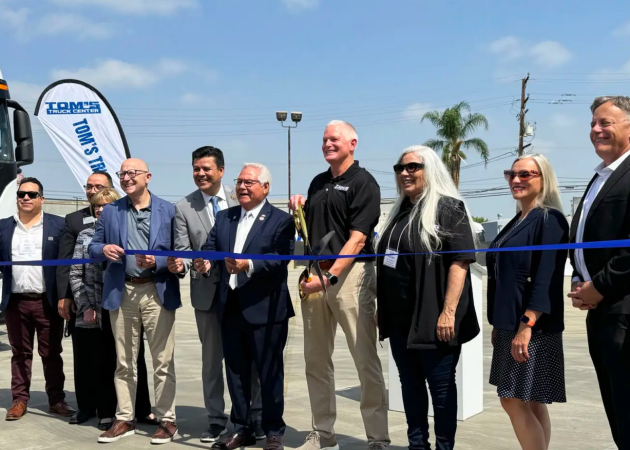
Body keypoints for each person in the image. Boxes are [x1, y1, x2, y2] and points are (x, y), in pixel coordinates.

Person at [289, 120, 389, 450]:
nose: (328, 144)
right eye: (324, 140)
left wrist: (330, 277)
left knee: (365, 359)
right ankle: (323, 433)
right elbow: (310, 232)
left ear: (353, 143)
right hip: (315, 276)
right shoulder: (319, 183)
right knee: (316, 361)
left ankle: (377, 438)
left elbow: (359, 239)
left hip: (350, 277)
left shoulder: (364, 183)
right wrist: (298, 210)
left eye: (335, 139)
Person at [376, 146, 479, 450]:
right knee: (410, 386)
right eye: (399, 168)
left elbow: (460, 262)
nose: (405, 173)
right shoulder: (399, 212)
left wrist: (448, 312)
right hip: (400, 323)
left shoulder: (449, 208)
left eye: (412, 167)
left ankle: (444, 446)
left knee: (442, 389)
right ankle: (417, 445)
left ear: (429, 170)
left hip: (434, 319)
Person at [196, 163, 295, 450]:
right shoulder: (225, 217)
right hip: (231, 307)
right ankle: (241, 428)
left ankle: (273, 430)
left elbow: (281, 258)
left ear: (265, 188)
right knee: (236, 372)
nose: (242, 187)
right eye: (239, 181)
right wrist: (203, 263)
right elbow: (210, 249)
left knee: (269, 374)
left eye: (249, 182)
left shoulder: (280, 220)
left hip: (266, 309)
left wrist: (248, 264)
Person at [168, 146, 263, 442]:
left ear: (221, 171)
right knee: (212, 361)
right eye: (196, 168)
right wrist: (188, 263)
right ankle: (215, 418)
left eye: (206, 168)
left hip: (244, 293)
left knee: (249, 360)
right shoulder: (184, 207)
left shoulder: (243, 197)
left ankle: (252, 417)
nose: (201, 174)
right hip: (207, 295)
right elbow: (183, 251)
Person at [89, 158, 181, 445]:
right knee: (124, 361)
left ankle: (166, 419)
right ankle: (125, 417)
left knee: (162, 360)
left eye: (133, 173)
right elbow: (93, 246)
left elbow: (181, 252)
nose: (127, 178)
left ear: (148, 177)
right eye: (123, 174)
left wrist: (160, 260)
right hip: (123, 291)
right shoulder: (111, 211)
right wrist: (103, 248)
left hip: (157, 289)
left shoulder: (168, 209)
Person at [57, 171, 156, 426]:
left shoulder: (128, 234)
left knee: (128, 359)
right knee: (93, 360)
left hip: (123, 305)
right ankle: (97, 409)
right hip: (90, 308)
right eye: (97, 206)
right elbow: (74, 272)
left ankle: (138, 408)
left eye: (106, 205)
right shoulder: (84, 235)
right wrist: (85, 305)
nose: (101, 210)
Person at [487, 154, 568, 450]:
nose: (516, 180)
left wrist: (527, 323)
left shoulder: (549, 219)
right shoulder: (517, 220)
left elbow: (545, 277)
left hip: (533, 325)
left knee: (511, 398)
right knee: (530, 400)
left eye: (525, 174)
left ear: (543, 178)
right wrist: (499, 323)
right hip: (510, 323)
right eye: (512, 174)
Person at [568, 96, 630, 449]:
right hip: (603, 312)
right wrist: (581, 280)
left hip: (624, 311)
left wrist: (601, 286)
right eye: (593, 123)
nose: (595, 130)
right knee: (618, 411)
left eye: (605, 122)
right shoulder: (601, 177)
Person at [0, 177, 75, 420]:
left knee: (51, 352)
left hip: (47, 302)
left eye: (32, 194)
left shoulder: (58, 225)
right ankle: (19, 400)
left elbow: (66, 265)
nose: (26, 198)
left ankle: (56, 400)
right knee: (20, 353)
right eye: (22, 194)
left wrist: (65, 297)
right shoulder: (3, 226)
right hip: (16, 302)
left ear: (41, 198)